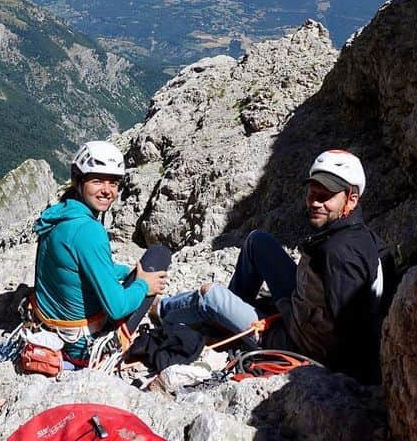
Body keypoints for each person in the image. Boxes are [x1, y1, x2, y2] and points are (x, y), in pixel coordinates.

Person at [158, 149, 396, 382]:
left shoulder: (339, 253)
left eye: (325, 197)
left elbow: (350, 329)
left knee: (209, 296)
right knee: (257, 242)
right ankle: (228, 323)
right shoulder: (364, 237)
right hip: (302, 309)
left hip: (297, 341)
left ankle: (160, 311)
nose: (314, 203)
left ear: (351, 199)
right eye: (312, 193)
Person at [32, 140, 170, 365]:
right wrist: (145, 285)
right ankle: (118, 343)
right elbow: (116, 309)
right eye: (97, 181)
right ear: (79, 182)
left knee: (137, 273)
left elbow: (78, 266)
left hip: (50, 327)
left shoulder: (59, 214)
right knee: (158, 255)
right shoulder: (89, 231)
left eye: (114, 183)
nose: (107, 191)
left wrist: (128, 272)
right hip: (80, 346)